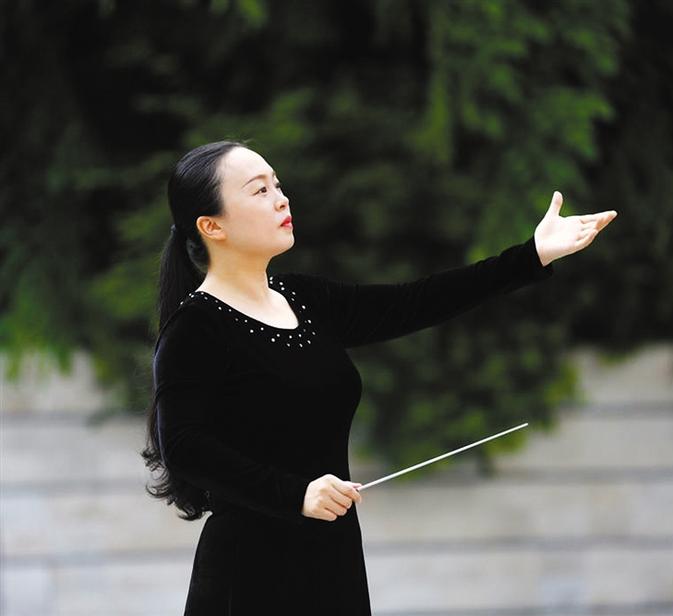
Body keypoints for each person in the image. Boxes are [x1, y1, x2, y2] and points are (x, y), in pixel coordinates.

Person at [142, 140, 617, 614]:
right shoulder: (194, 329)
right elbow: (183, 446)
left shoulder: (304, 299)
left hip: (332, 557)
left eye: (278, 185)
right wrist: (296, 494)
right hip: (249, 573)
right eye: (259, 190)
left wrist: (532, 255)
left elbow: (415, 302)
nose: (281, 199)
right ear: (212, 226)